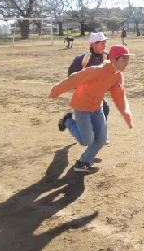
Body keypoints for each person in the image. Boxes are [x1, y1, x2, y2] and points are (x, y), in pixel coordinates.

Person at [49, 45, 135, 173]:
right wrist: (55, 92)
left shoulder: (117, 75)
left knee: (101, 139)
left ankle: (83, 162)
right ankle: (67, 121)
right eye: (124, 59)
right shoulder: (96, 71)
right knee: (86, 140)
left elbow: (119, 96)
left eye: (128, 59)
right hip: (82, 106)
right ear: (114, 59)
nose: (127, 63)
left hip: (97, 107)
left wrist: (127, 115)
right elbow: (73, 80)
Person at [62, 32, 111, 144]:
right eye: (102, 43)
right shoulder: (82, 59)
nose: (105, 45)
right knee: (86, 133)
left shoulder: (106, 56)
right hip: (83, 96)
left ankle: (100, 134)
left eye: (105, 43)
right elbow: (70, 77)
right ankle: (68, 121)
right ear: (93, 44)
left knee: (105, 108)